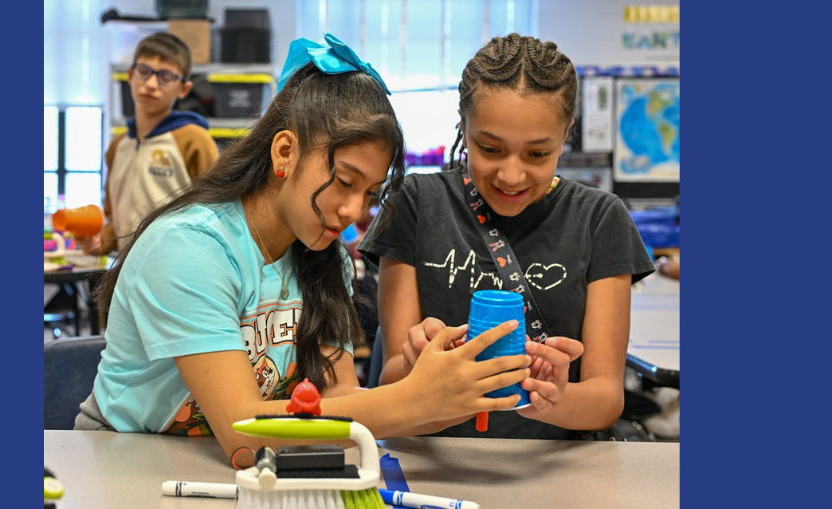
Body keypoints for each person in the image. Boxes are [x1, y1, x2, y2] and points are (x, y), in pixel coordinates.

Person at [73, 34, 531, 462]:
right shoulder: (191, 247)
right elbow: (242, 430)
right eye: (345, 181)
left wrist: (446, 391)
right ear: (285, 152)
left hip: (241, 468)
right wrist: (410, 400)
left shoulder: (323, 255)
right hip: (126, 462)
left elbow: (338, 400)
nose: (354, 210)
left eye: (370, 193)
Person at [358, 33, 656, 439]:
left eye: (537, 154)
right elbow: (390, 380)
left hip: (552, 470)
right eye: (490, 148)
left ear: (566, 134)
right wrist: (416, 366)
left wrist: (553, 398)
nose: (511, 175)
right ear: (464, 127)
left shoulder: (599, 218)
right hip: (431, 464)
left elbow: (605, 399)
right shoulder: (417, 202)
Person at [76, 32, 220, 256]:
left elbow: (217, 211)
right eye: (144, 72)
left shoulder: (194, 140)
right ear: (131, 75)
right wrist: (98, 243)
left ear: (183, 88)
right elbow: (115, 221)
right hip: (126, 274)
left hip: (177, 272)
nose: (151, 84)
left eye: (165, 77)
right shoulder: (118, 146)